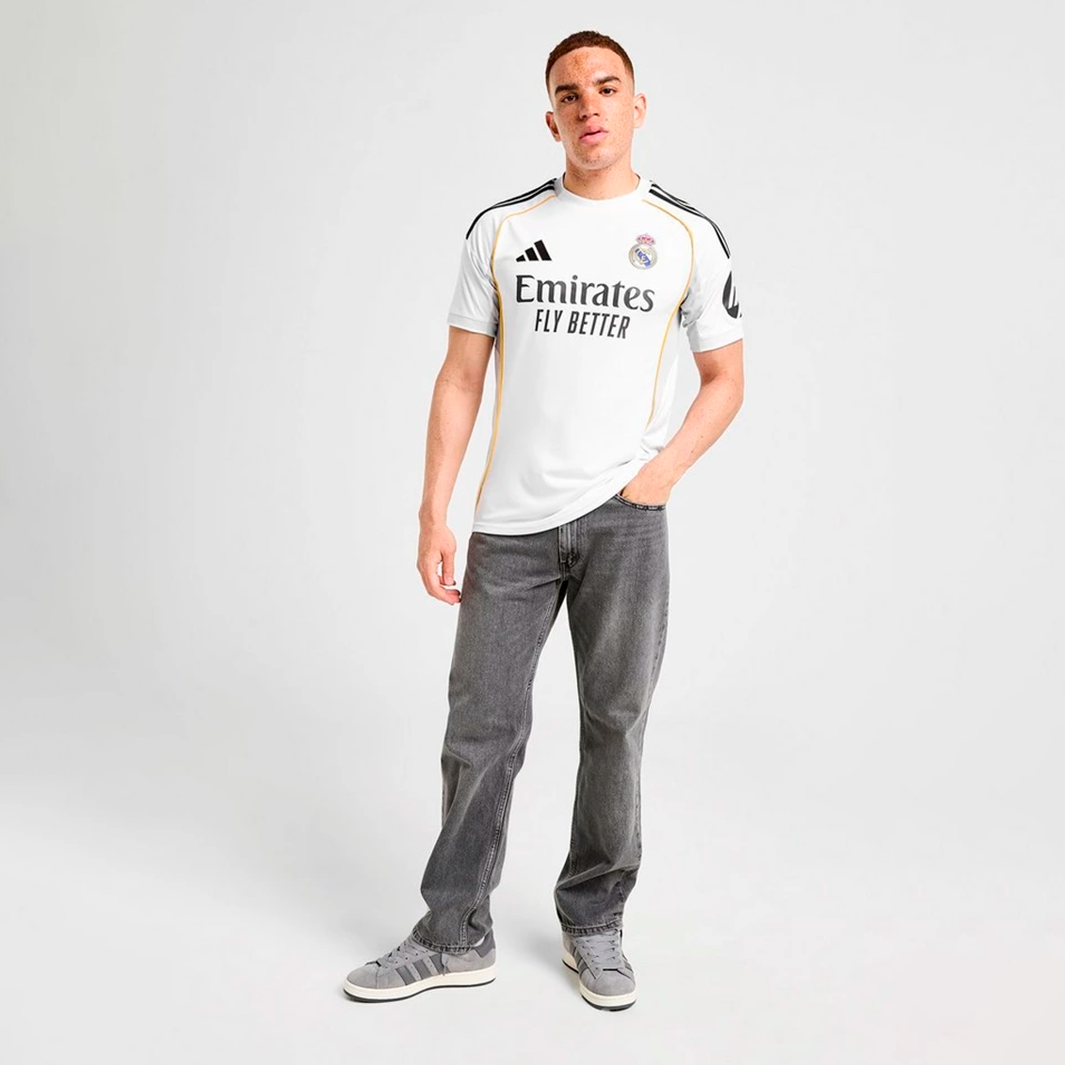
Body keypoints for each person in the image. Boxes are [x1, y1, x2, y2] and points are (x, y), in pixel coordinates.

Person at [343, 28, 745, 1011]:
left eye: (607, 88)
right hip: (510, 526)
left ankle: (594, 920)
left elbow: (726, 379)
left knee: (616, 723)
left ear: (636, 106)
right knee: (480, 727)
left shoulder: (686, 235)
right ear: (551, 117)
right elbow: (459, 377)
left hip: (624, 523)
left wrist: (657, 479)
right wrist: (434, 511)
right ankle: (453, 931)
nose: (589, 105)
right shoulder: (501, 230)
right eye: (570, 93)